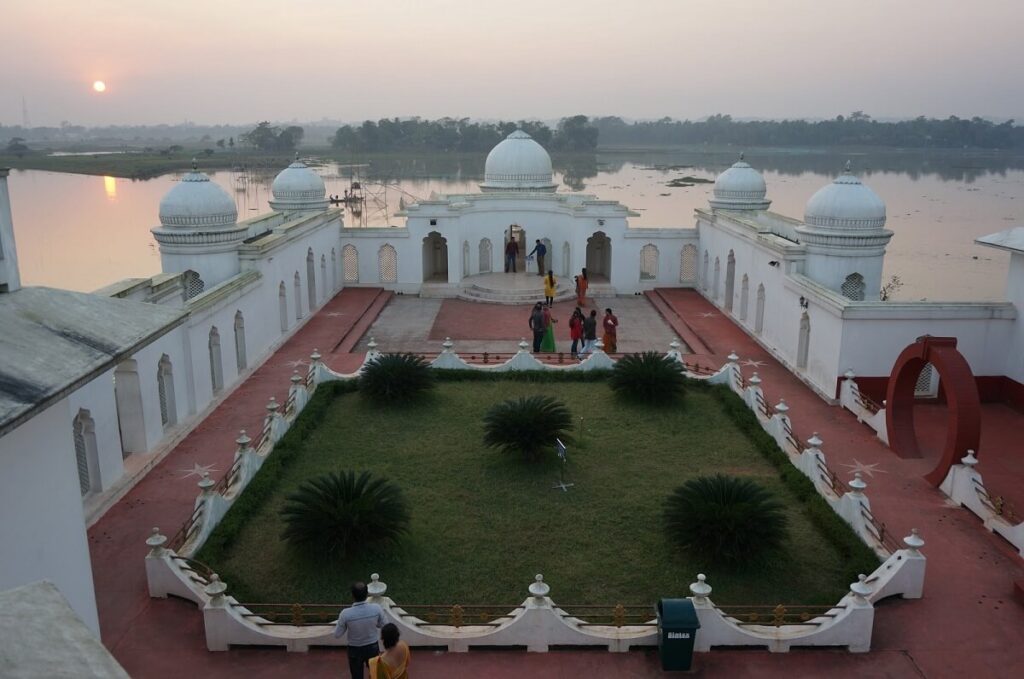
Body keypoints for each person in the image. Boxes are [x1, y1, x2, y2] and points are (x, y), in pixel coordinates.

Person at [335, 581, 386, 678]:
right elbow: (385, 625)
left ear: (352, 596)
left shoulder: (345, 614)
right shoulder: (376, 609)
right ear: (367, 594)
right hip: (372, 647)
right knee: (375, 675)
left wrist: (345, 624)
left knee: (357, 676)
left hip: (354, 649)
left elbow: (337, 634)